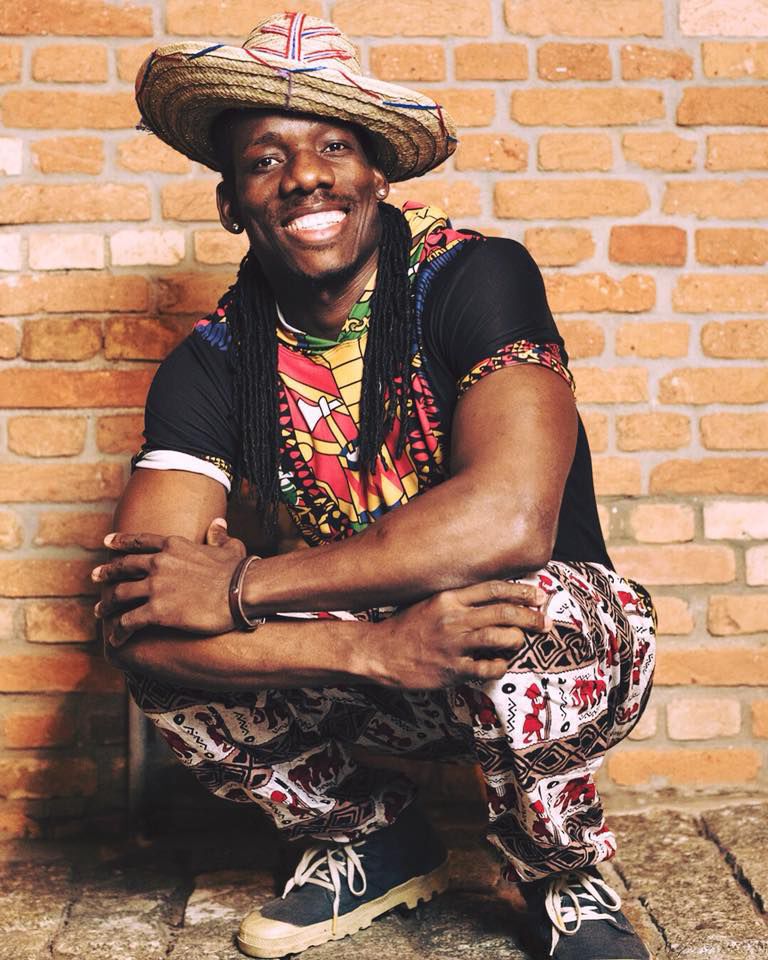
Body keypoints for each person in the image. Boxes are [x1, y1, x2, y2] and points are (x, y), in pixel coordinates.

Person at [94, 13, 656, 960]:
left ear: (377, 177)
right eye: (265, 159)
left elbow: (511, 520)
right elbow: (144, 615)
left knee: (526, 604)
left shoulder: (474, 276)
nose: (304, 175)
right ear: (231, 203)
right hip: (374, 659)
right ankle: (369, 838)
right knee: (156, 649)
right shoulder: (213, 363)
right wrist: (372, 648)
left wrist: (242, 586)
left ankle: (557, 875)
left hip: (551, 652)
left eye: (335, 147)